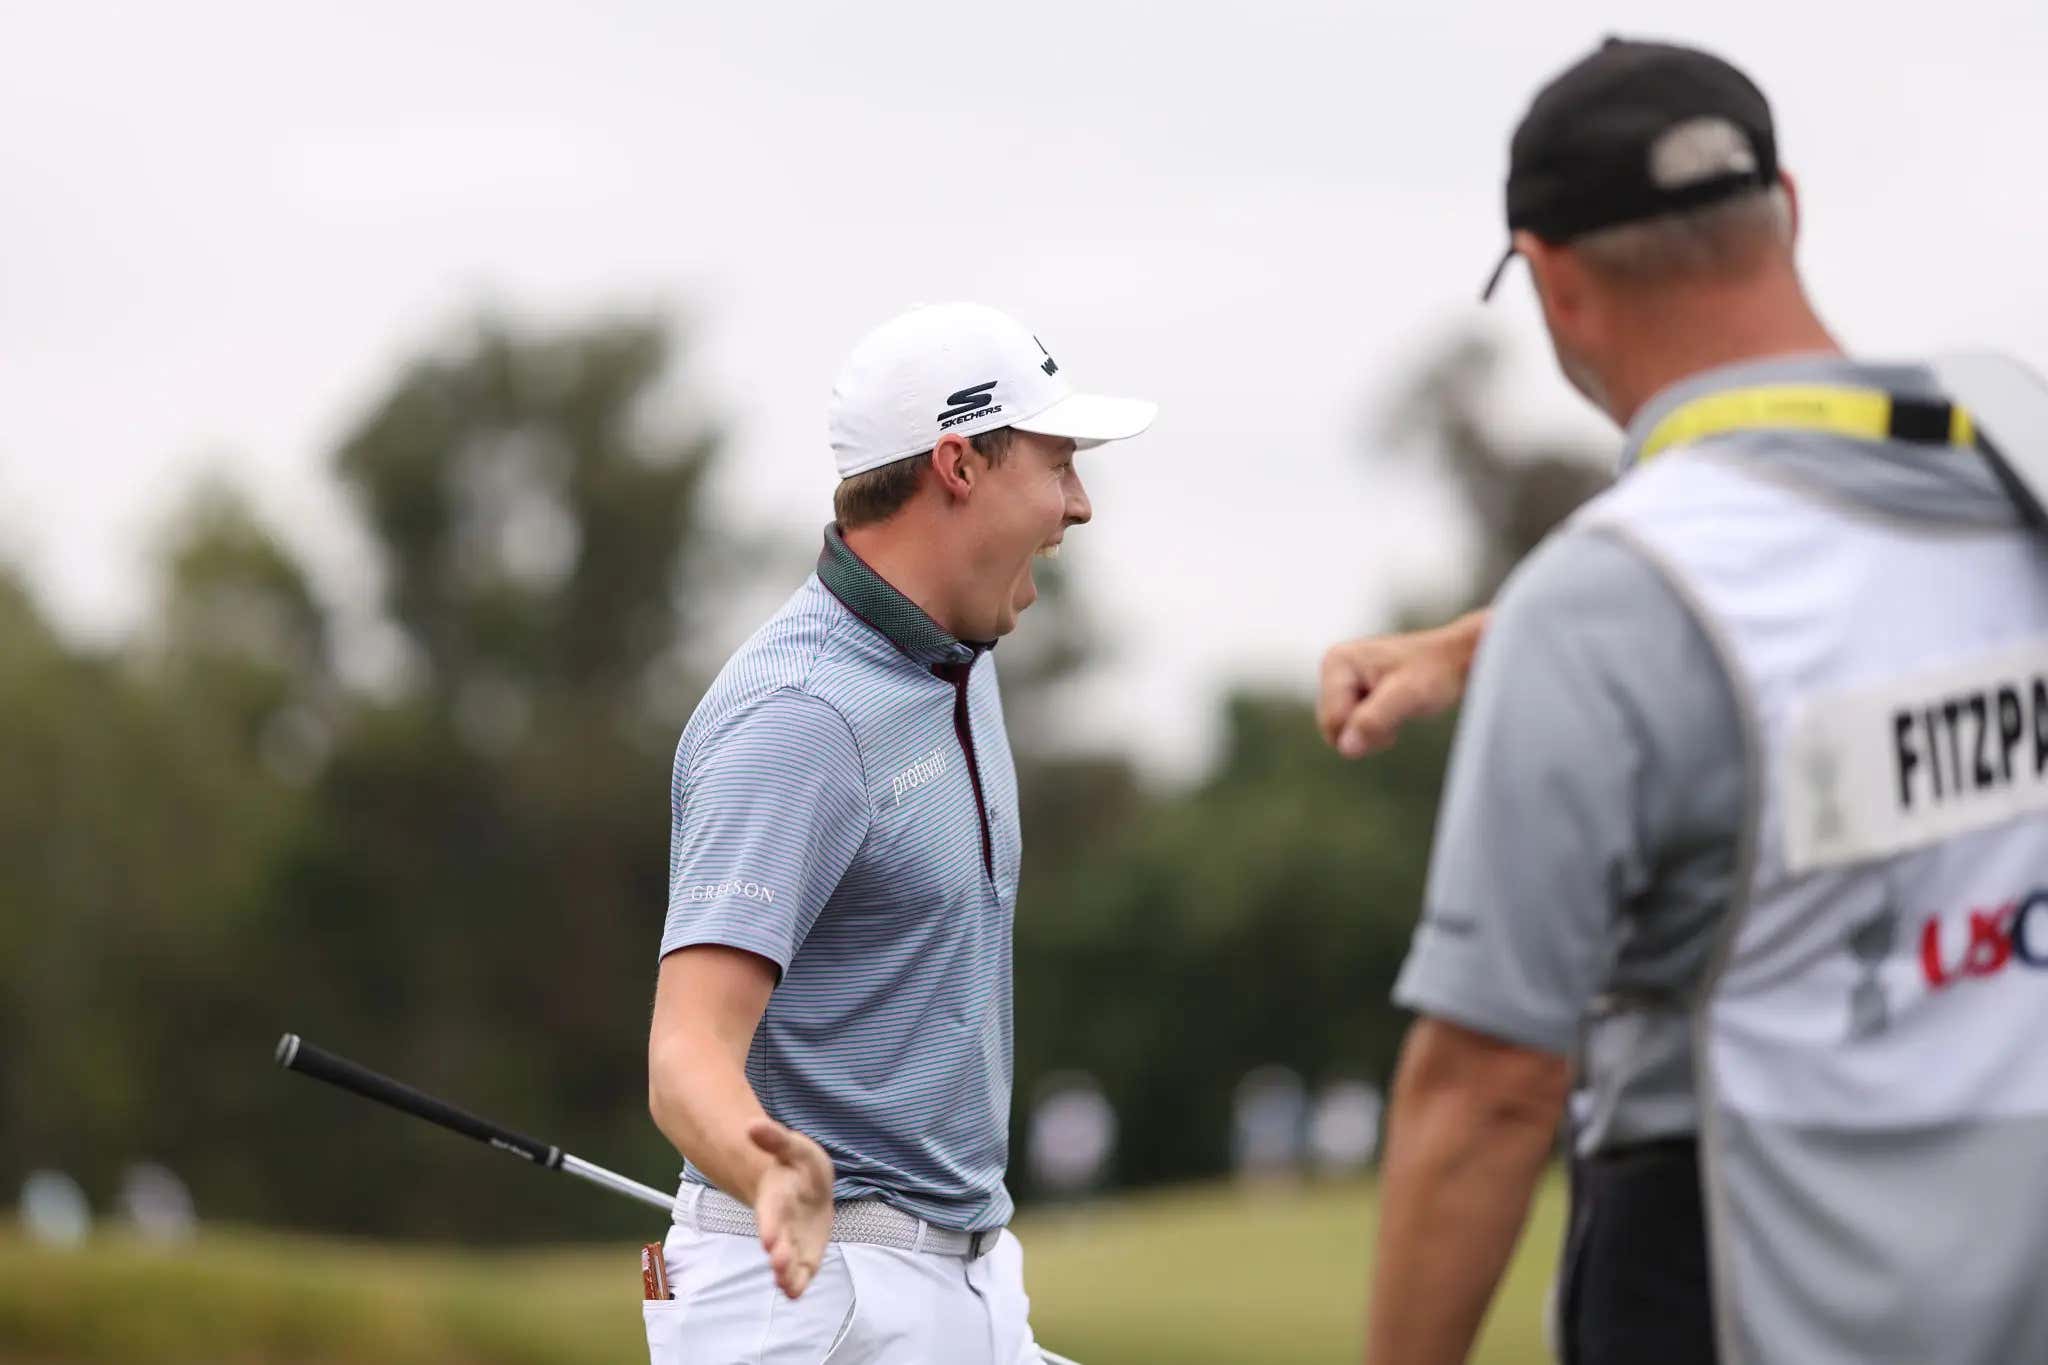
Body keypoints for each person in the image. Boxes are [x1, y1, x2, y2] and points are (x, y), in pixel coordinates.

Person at [1322, 37, 2048, 1365]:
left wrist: (1533, 640)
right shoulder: (2015, 455)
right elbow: (1846, 601)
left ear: (1550, 282)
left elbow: (1485, 1097)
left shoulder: (1605, 604)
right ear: (1790, 209)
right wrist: (1499, 643)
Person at [644, 301, 1153, 1364]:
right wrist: (767, 1167)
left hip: (964, 1279)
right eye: (1057, 464)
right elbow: (687, 1047)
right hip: (815, 1302)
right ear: (957, 465)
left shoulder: (959, 654)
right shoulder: (797, 718)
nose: (1080, 504)